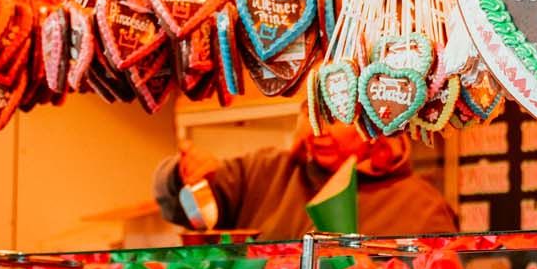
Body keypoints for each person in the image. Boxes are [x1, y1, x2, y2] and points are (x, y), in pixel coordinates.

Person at [151, 107, 456, 239]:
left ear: (377, 125)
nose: (319, 130)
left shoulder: (421, 205)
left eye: (335, 118)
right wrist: (180, 175)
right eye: (312, 114)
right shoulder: (266, 171)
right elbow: (181, 208)